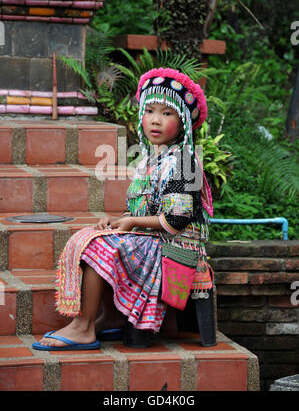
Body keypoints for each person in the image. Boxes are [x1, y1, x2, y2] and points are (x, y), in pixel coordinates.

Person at [32, 67, 213, 351]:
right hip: (153, 239)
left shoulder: (186, 162)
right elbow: (142, 210)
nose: (155, 120)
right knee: (90, 237)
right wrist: (119, 220)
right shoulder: (150, 160)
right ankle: (105, 317)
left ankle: (83, 327)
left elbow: (177, 219)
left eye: (167, 114)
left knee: (101, 248)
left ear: (183, 122)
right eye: (150, 111)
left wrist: (130, 224)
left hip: (175, 246)